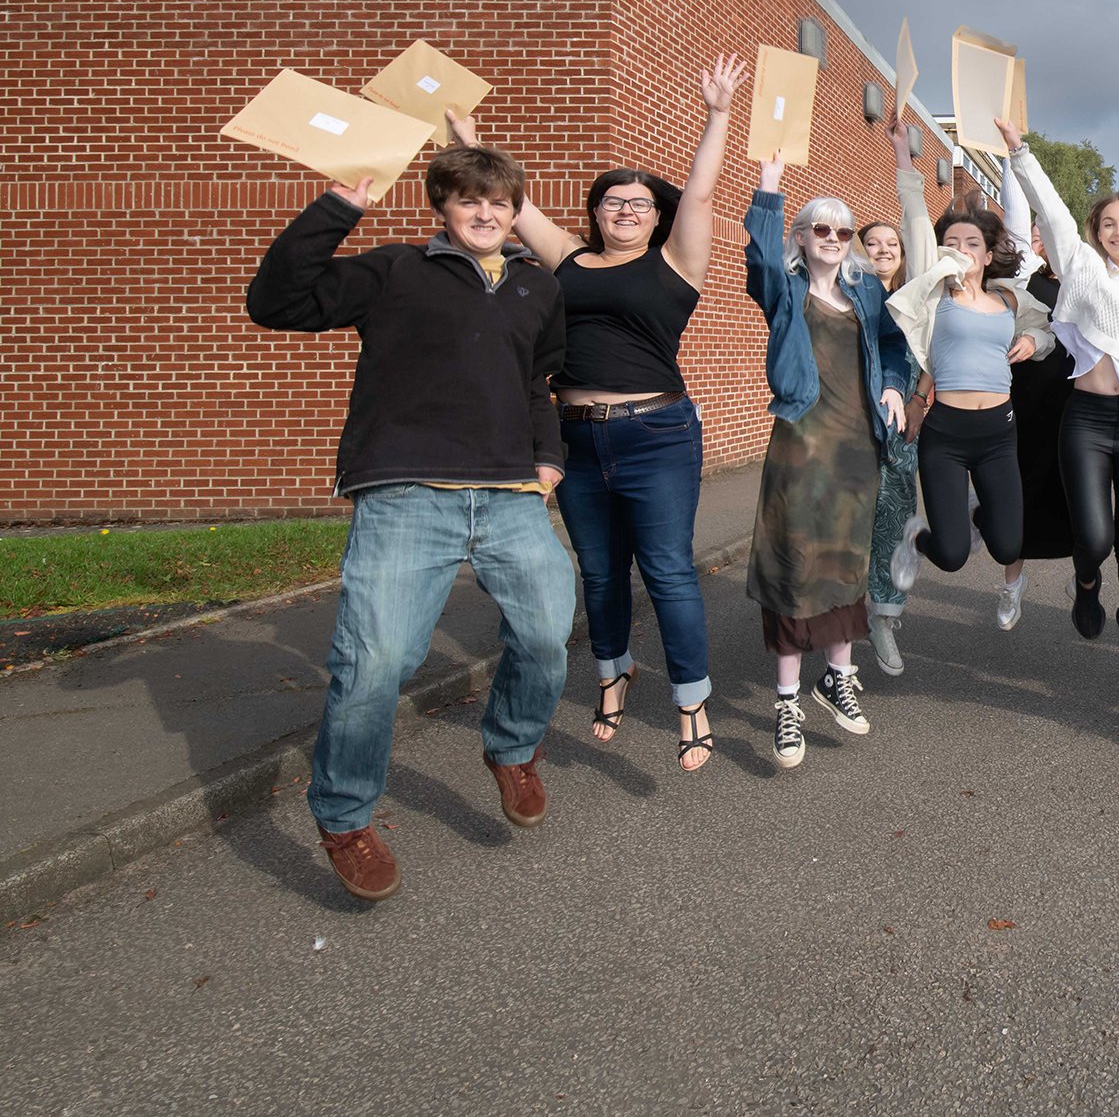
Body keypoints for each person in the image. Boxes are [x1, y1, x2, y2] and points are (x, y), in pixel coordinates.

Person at [247, 144, 572, 903]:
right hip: (405, 493)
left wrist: (547, 461)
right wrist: (337, 207)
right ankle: (345, 817)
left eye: (498, 201)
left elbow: (537, 383)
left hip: (509, 495)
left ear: (514, 206)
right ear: (443, 207)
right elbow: (276, 302)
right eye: (468, 201)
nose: (485, 213)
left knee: (548, 634)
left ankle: (513, 747)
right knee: (377, 662)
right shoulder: (395, 270)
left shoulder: (536, 287)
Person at [446, 56, 739, 772]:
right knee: (601, 573)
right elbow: (507, 205)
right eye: (613, 200)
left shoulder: (675, 263)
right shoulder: (569, 260)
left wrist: (718, 114)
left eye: (640, 203)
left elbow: (699, 197)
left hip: (657, 434)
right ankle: (612, 675)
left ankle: (692, 701)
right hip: (576, 438)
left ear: (656, 216)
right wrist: (463, 136)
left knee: (667, 570)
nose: (626, 209)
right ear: (597, 211)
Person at [996, 115, 1119, 677]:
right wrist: (1019, 152)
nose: (1117, 231)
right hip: (1084, 418)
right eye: (1107, 223)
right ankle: (1086, 584)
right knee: (1095, 537)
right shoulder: (1081, 267)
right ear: (1097, 231)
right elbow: (1051, 212)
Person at [743, 158, 913, 768]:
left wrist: (893, 385)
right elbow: (760, 259)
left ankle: (837, 677)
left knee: (845, 563)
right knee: (793, 563)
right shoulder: (783, 288)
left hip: (855, 449)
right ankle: (787, 704)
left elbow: (894, 346)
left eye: (844, 232)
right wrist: (769, 189)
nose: (834, 240)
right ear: (802, 235)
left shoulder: (866, 291)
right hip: (799, 444)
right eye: (822, 230)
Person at [881, 117, 1055, 630]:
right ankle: (919, 536)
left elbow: (1046, 333)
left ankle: (978, 514)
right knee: (953, 554)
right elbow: (915, 219)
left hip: (999, 432)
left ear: (986, 253)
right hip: (947, 433)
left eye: (972, 243)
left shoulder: (1008, 297)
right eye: (951, 241)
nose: (961, 249)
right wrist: (903, 161)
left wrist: (1031, 340)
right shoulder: (934, 292)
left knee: (1007, 542)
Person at [997, 155, 1076, 615]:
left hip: (1071, 399)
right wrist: (1011, 157)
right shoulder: (1020, 279)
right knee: (1019, 490)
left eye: (1045, 228)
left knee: (1075, 491)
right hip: (1024, 398)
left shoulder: (1084, 280)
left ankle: (1083, 578)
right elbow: (1013, 215)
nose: (1038, 236)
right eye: (1035, 230)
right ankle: (1012, 583)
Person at [856, 216, 922, 677]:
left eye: (891, 243)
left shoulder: (914, 300)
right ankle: (831, 617)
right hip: (849, 421)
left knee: (892, 521)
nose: (882, 249)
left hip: (901, 428)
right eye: (872, 243)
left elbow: (931, 355)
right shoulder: (845, 298)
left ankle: (882, 616)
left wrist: (918, 398)